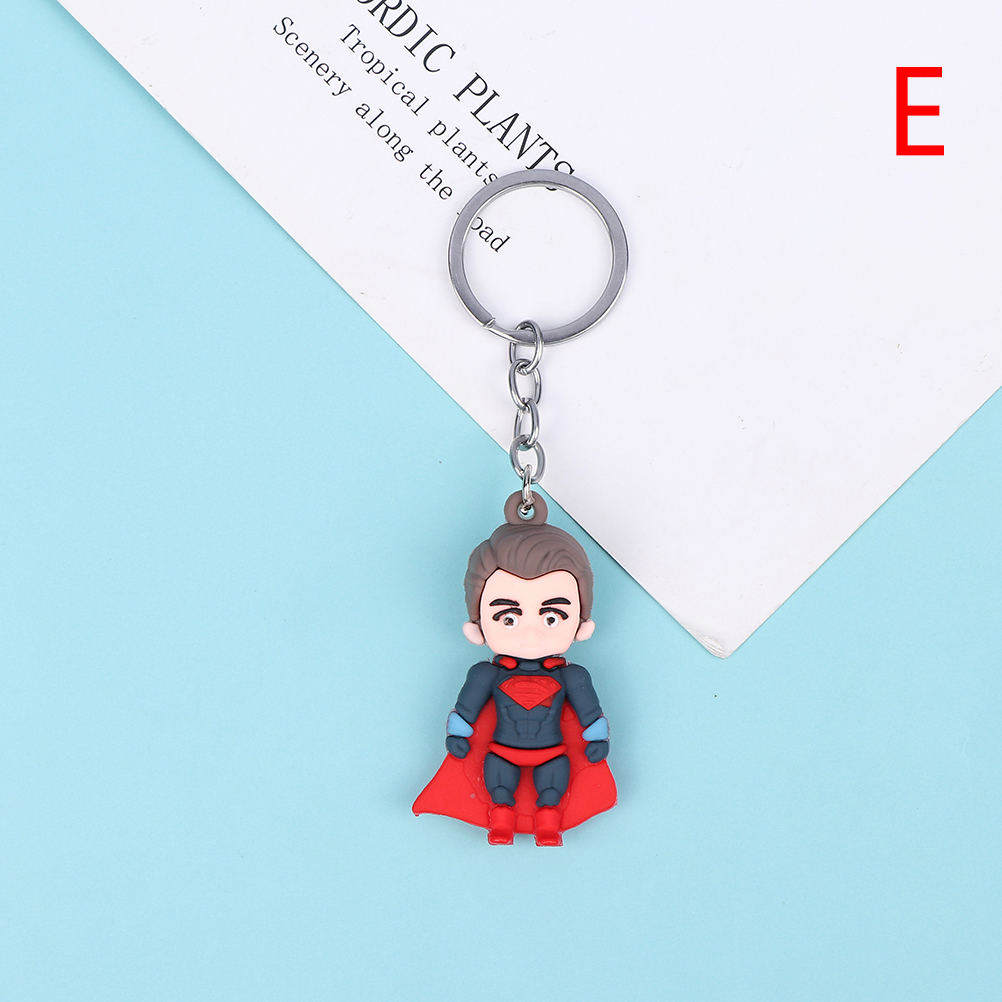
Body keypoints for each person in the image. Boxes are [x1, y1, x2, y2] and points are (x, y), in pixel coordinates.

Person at [413, 492, 616, 846]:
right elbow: (466, 710)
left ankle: (548, 824)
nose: (531, 633)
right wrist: (457, 735)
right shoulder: (486, 675)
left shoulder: (573, 676)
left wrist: (598, 739)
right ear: (477, 627)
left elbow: (590, 714)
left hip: (553, 753)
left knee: (551, 792)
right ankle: (501, 822)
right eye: (508, 618)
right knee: (499, 790)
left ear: (581, 626)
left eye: (552, 617)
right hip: (500, 752)